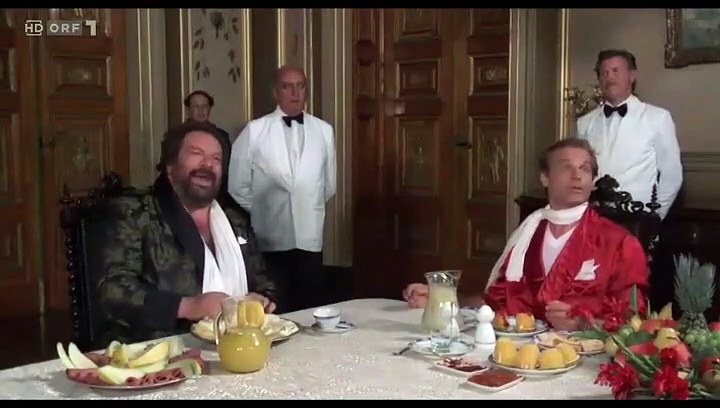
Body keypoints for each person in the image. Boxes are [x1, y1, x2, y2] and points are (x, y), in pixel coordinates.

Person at [403, 138, 649, 331]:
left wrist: (584, 323)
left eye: (584, 169)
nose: (577, 175)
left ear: (592, 180)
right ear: (545, 177)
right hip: (520, 355)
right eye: (566, 167)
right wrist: (444, 299)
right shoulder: (527, 236)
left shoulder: (619, 243)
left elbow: (634, 321)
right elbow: (497, 303)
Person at [97, 122, 277, 344]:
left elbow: (264, 282)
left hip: (242, 345)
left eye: (216, 159)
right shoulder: (136, 212)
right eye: (197, 153)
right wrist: (188, 306)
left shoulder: (235, 219)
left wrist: (263, 300)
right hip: (161, 350)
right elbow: (112, 290)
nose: (208, 164)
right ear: (170, 165)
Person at [228, 65, 336, 313]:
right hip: (271, 236)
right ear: (276, 92)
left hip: (309, 235)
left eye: (300, 86)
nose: (295, 93)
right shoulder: (255, 130)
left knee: (310, 305)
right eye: (287, 86)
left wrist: (306, 203)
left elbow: (328, 184)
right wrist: (263, 208)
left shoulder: (324, 131)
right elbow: (237, 185)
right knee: (277, 305)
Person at [577, 49, 683, 219]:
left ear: (632, 76)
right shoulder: (584, 123)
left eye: (615, 71)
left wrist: (654, 216)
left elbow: (672, 175)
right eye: (604, 73)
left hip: (638, 218)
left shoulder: (658, 118)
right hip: (593, 217)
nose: (609, 77)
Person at [184, 90, 233, 201]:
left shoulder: (221, 136)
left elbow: (226, 170)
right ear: (189, 109)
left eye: (204, 106)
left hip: (216, 194)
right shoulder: (177, 136)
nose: (201, 111)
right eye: (196, 107)